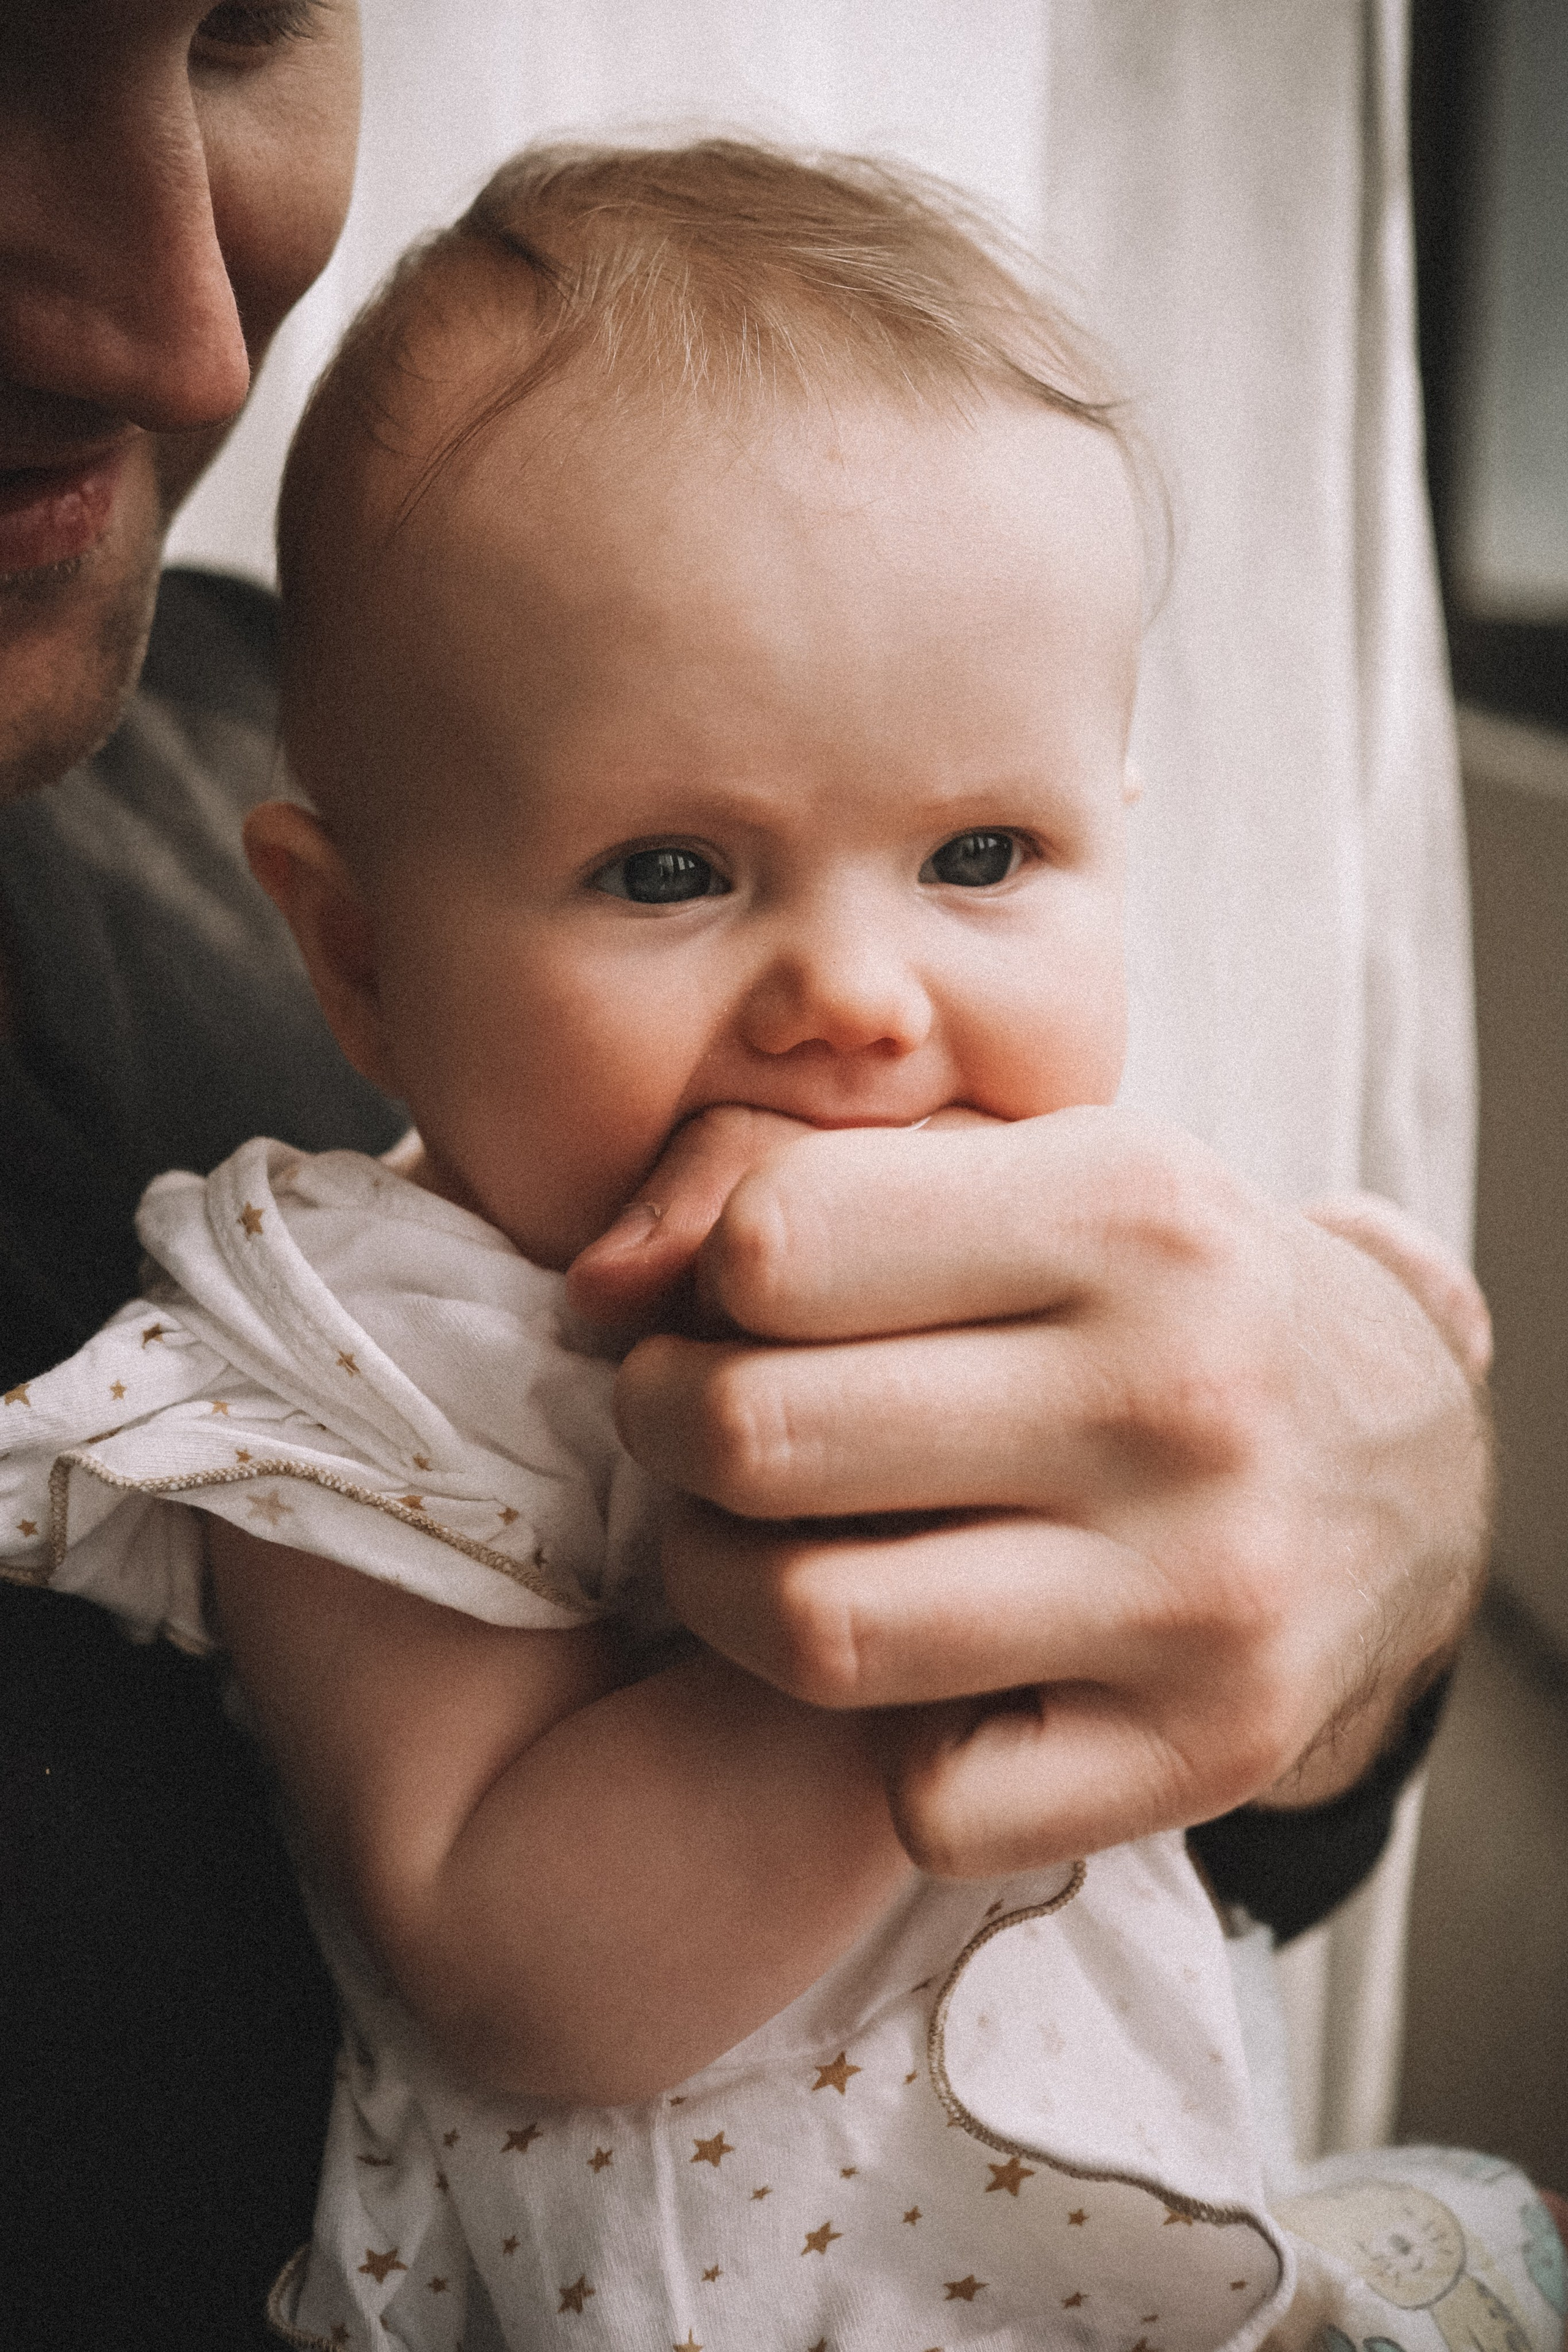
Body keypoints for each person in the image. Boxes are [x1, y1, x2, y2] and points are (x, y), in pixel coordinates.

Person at [0, 9, 1491, 2348]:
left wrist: (1361, 1398)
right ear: (363, 957)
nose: (860, 996)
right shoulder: (361, 1352)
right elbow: (508, 1966)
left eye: (981, 851)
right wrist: (884, 1625)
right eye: (674, 870)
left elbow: (1273, 1693)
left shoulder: (1012, 1227)